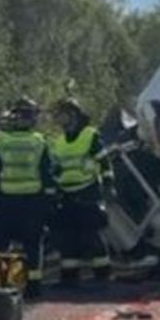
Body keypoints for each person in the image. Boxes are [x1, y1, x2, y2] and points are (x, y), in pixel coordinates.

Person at [0, 97, 55, 298]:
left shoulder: (1, 141)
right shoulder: (39, 141)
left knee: (1, 244)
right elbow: (47, 173)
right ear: (33, 118)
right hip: (32, 201)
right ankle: (34, 287)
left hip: (6, 200)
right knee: (33, 245)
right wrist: (50, 201)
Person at [49, 98, 112, 286]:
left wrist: (108, 184)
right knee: (67, 238)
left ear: (74, 115)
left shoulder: (89, 135)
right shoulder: (59, 142)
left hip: (88, 191)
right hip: (66, 194)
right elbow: (56, 167)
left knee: (91, 235)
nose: (60, 119)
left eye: (63, 115)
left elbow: (104, 161)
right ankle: (69, 277)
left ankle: (102, 275)